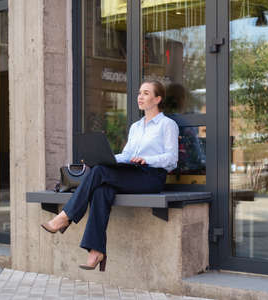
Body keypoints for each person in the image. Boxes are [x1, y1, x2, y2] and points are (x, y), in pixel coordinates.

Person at [41, 80, 179, 271]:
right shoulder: (136, 127)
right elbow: (127, 155)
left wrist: (148, 159)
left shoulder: (167, 125)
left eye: (146, 93)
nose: (140, 96)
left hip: (151, 176)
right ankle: (96, 251)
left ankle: (66, 216)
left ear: (158, 99)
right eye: (139, 93)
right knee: (102, 189)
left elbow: (172, 159)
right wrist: (104, 158)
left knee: (99, 174)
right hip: (132, 173)